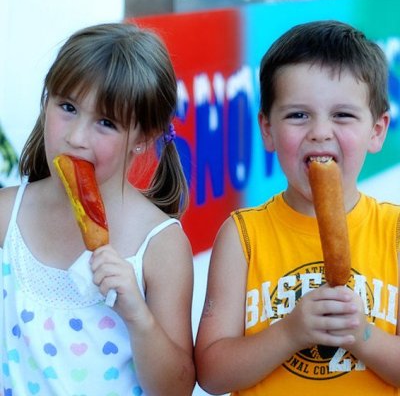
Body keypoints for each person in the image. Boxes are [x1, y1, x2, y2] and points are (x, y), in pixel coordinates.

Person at [195, 20, 400, 395]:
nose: (320, 132)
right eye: (298, 115)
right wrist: (289, 332)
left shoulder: (394, 232)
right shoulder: (243, 236)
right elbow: (210, 373)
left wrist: (362, 333)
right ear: (267, 130)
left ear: (377, 130)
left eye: (343, 115)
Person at [0, 23, 195, 395]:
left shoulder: (159, 246)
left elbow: (177, 388)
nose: (75, 138)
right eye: (67, 107)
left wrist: (138, 316)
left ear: (143, 139)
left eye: (106, 123)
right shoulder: (7, 214)